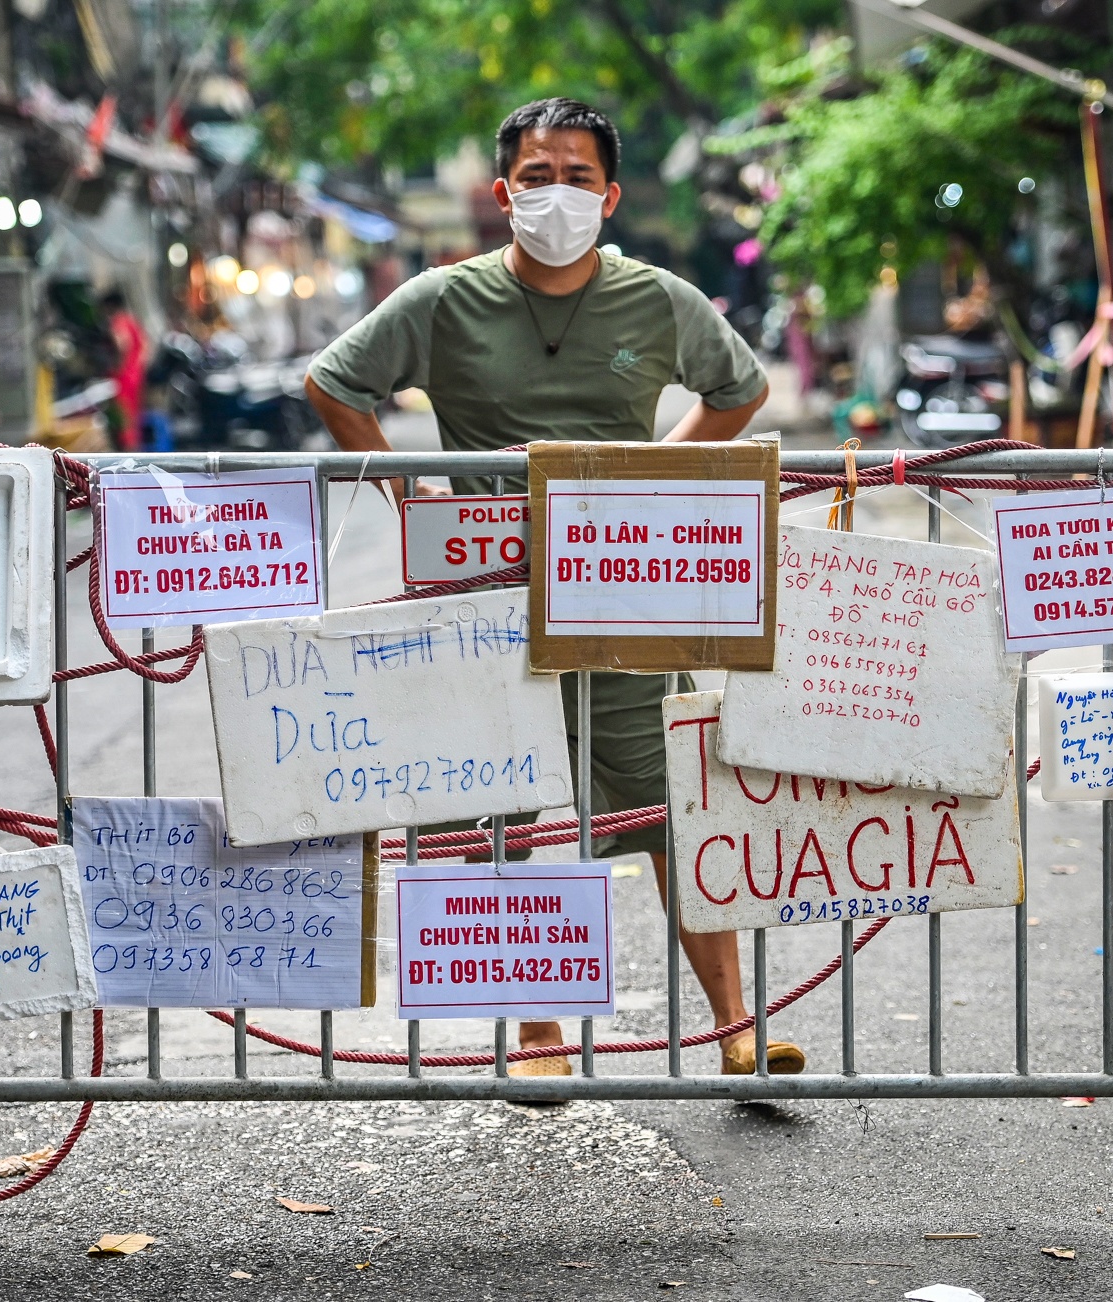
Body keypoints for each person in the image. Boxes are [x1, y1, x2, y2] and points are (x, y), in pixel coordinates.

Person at [305, 97, 802, 1079]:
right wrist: (411, 494)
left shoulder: (658, 299)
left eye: (579, 178)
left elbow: (739, 392)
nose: (557, 195)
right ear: (504, 194)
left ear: (610, 197)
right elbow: (335, 381)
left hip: (622, 599)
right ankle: (537, 1037)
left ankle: (735, 1028)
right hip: (483, 601)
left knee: (668, 807)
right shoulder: (442, 300)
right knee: (493, 815)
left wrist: (654, 477)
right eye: (538, 177)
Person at [100, 289, 147, 452]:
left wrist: (117, 365)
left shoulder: (118, 321)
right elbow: (144, 348)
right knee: (133, 418)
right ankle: (133, 452)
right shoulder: (132, 320)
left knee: (124, 418)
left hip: (123, 377)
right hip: (135, 375)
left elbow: (122, 344)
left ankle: (128, 454)